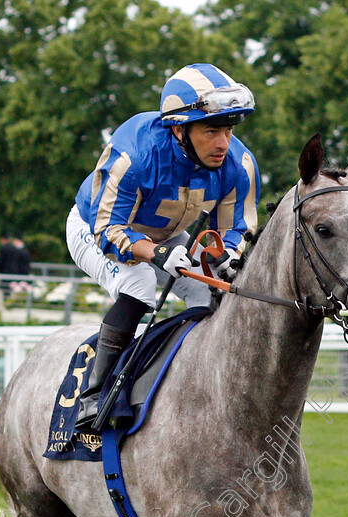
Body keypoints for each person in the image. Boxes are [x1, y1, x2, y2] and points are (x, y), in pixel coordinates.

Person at [66, 62, 260, 429]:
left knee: (210, 295)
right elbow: (109, 230)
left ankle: (200, 388)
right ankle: (95, 396)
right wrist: (157, 254)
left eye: (229, 131)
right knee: (140, 285)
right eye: (212, 131)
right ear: (178, 128)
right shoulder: (134, 156)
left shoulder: (238, 164)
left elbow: (235, 230)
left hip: (169, 236)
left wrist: (226, 258)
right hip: (96, 229)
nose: (223, 143)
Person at [0, 232, 19, 299]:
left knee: (5, 289)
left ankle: (6, 302)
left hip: (5, 272)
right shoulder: (14, 248)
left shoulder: (3, 248)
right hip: (13, 271)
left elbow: (1, 261)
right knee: (11, 288)